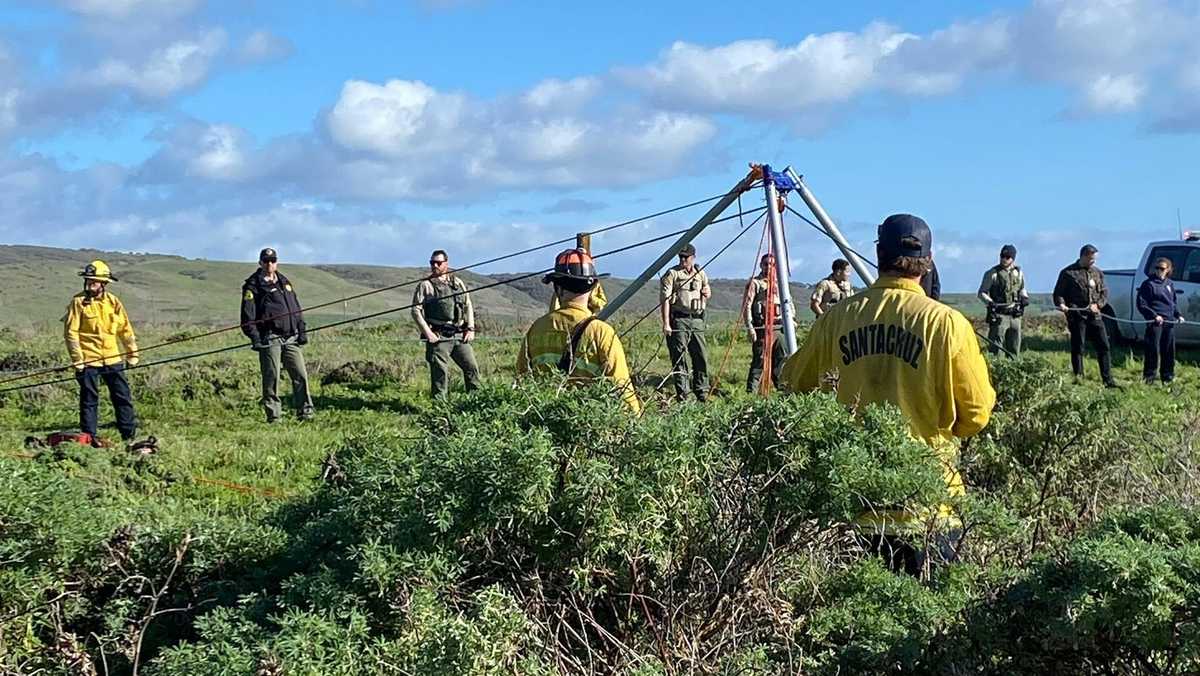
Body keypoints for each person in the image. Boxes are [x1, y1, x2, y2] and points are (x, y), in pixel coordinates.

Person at [780, 214, 995, 576]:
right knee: (928, 622)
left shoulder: (837, 318)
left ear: (878, 254)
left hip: (853, 505)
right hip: (928, 507)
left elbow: (794, 383)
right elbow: (976, 414)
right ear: (928, 261)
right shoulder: (947, 324)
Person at [517, 248, 642, 414]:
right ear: (592, 289)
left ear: (557, 288)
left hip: (544, 427)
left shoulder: (536, 329)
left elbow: (522, 382)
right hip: (589, 428)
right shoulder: (601, 333)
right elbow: (623, 391)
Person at [63, 260, 141, 444]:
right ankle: (89, 437)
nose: (90, 285)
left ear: (104, 284)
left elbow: (125, 330)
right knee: (89, 399)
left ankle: (128, 435)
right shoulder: (78, 302)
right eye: (88, 281)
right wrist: (78, 360)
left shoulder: (114, 302)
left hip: (112, 358)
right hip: (88, 361)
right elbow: (71, 333)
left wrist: (132, 354)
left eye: (94, 282)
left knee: (122, 396)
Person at [241, 247, 315, 423]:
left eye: (272, 261)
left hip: (291, 336)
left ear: (276, 262)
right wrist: (256, 338)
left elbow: (296, 308)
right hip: (270, 336)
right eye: (266, 261)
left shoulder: (285, 282)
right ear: (260, 263)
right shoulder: (253, 285)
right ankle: (274, 416)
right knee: (271, 377)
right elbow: (247, 316)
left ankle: (306, 412)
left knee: (300, 374)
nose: (269, 264)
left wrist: (301, 330)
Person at [412, 249, 480, 399]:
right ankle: (440, 409)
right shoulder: (425, 285)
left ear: (446, 264)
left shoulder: (457, 282)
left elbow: (467, 304)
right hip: (438, 336)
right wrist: (428, 333)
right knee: (439, 374)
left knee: (471, 368)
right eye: (432, 262)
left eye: (438, 262)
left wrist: (470, 328)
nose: (434, 265)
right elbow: (416, 310)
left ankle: (476, 402)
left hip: (458, 334)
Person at [1053, 244, 1119, 388]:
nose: (1092, 262)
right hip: (1077, 315)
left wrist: (1099, 305)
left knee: (1104, 346)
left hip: (1095, 315)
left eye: (1094, 260)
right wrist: (1062, 304)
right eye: (1090, 259)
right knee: (1078, 347)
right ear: (1083, 256)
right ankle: (1079, 378)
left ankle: (1108, 379)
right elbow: (1059, 293)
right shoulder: (1068, 273)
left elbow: (1104, 293)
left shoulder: (1098, 273)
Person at [659, 243, 712, 401]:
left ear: (693, 257)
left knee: (701, 356)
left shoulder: (700, 273)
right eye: (681, 257)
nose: (683, 260)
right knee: (680, 358)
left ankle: (702, 392)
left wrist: (707, 293)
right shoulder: (672, 274)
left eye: (686, 257)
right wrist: (666, 323)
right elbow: (665, 299)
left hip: (697, 319)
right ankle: (684, 394)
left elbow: (707, 289)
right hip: (679, 319)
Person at [743, 253, 788, 392]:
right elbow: (747, 306)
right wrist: (750, 327)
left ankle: (782, 390)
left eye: (772, 264)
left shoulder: (780, 283)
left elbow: (788, 303)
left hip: (778, 327)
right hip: (762, 328)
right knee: (760, 362)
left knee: (781, 361)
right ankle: (751, 393)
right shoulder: (755, 283)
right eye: (766, 264)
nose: (769, 267)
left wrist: (791, 320)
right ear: (761, 265)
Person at [1137, 257, 1185, 384]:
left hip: (1169, 322)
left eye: (1162, 269)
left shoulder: (1169, 284)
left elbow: (1173, 302)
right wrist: (1154, 316)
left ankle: (1167, 376)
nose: (1159, 271)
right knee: (1152, 349)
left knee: (1168, 350)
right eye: (1157, 268)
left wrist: (1178, 315)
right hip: (1155, 322)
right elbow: (1142, 304)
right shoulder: (1148, 284)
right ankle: (1149, 377)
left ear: (1168, 270)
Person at [977, 244, 1030, 356]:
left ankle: (1013, 370)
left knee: (1014, 349)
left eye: (1007, 257)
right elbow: (982, 292)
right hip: (999, 316)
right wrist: (990, 303)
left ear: (1013, 258)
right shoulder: (992, 273)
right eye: (1002, 256)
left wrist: (1025, 298)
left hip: (1015, 315)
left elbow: (1022, 288)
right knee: (996, 349)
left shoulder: (1018, 273)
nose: (1004, 259)